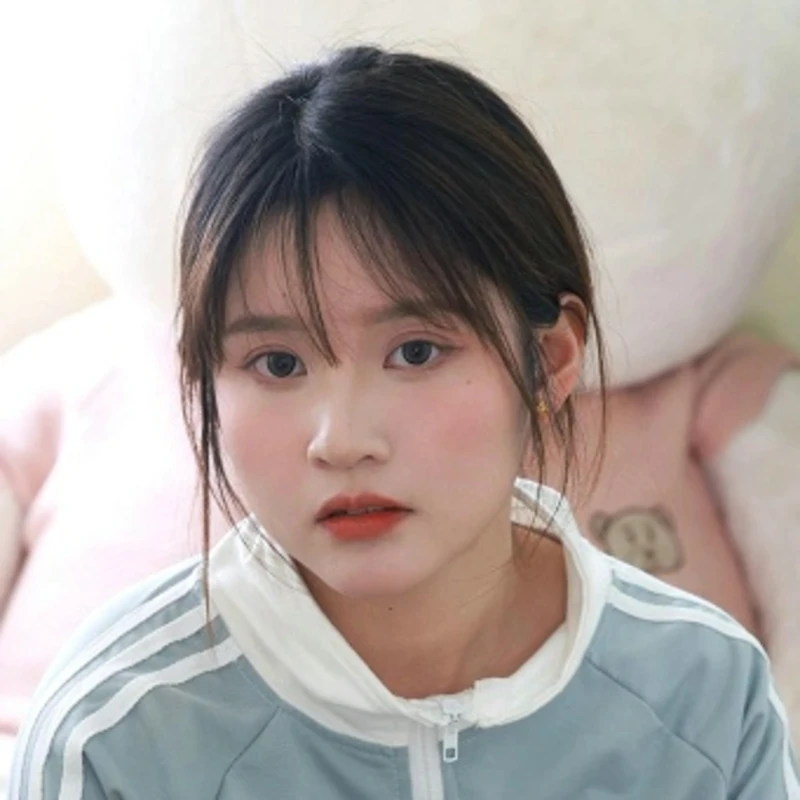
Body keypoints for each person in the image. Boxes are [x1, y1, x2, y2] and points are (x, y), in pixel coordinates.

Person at [10, 45, 798, 799]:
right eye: (277, 363)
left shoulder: (706, 693)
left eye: (416, 351)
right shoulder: (113, 732)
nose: (342, 440)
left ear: (550, 360)